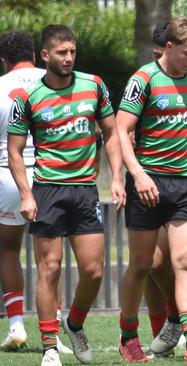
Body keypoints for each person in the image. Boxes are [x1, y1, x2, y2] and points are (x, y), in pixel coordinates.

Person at [7, 24, 126, 366]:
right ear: (45, 56)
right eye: (62, 53)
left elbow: (111, 133)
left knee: (94, 271)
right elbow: (15, 152)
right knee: (50, 268)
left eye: (72, 51)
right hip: (47, 190)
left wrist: (117, 177)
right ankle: (48, 346)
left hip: (85, 190)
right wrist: (26, 195)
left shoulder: (94, 86)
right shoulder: (28, 98)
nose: (69, 58)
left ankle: (74, 323)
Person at [115, 16, 187, 362]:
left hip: (184, 184)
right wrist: (138, 176)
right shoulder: (143, 79)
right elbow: (121, 129)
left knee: (186, 262)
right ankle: (128, 335)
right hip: (147, 181)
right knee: (142, 264)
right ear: (170, 47)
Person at [0, 29, 74, 356]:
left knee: (6, 250)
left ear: (3, 60)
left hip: (7, 174)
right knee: (49, 258)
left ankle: (16, 324)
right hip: (47, 175)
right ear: (37, 53)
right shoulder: (53, 81)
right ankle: (53, 330)